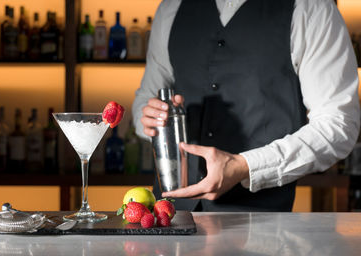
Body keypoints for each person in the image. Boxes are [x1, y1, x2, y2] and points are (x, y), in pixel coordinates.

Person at [132, 0, 360, 211]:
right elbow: (144, 101)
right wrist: (151, 117)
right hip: (168, 219)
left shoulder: (310, 7)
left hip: (261, 229)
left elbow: (338, 124)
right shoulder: (172, 7)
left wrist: (245, 166)